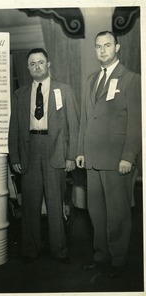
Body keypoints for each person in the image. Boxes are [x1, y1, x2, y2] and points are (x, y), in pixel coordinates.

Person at [76, 31, 141, 278]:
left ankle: (118, 262)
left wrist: (129, 156)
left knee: (118, 214)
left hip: (117, 161)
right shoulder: (91, 80)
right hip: (92, 160)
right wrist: (81, 150)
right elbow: (86, 118)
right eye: (98, 46)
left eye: (107, 45)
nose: (102, 50)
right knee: (97, 213)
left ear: (118, 47)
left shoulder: (132, 79)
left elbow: (136, 123)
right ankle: (101, 257)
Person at [8, 48, 79, 264]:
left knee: (56, 203)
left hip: (55, 149)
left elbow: (73, 125)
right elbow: (14, 128)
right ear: (28, 67)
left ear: (48, 65)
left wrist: (71, 156)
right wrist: (15, 157)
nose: (37, 66)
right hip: (30, 150)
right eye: (32, 63)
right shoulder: (20, 94)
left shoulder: (63, 90)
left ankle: (59, 250)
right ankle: (30, 249)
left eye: (41, 62)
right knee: (30, 204)